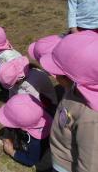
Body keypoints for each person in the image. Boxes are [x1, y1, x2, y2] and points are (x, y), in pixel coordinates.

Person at [39, 30, 98, 172]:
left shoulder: (91, 119)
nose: (53, 76)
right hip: (60, 154)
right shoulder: (77, 87)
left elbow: (89, 165)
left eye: (58, 73)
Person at [0, 94, 52, 169]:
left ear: (23, 128)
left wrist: (12, 152)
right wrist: (6, 137)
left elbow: (31, 160)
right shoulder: (38, 111)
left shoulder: (35, 142)